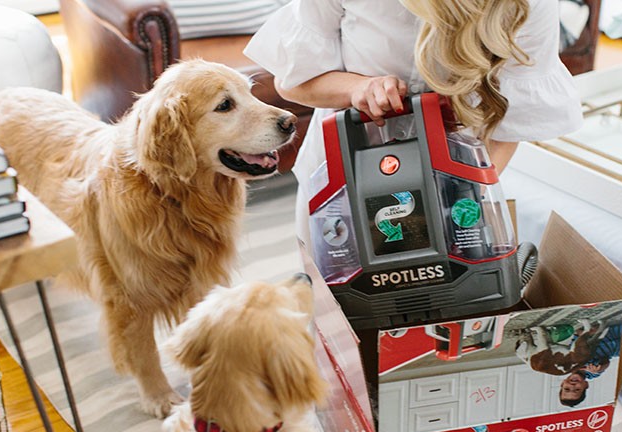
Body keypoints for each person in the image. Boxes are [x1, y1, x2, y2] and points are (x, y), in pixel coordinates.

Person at [243, 0, 584, 249]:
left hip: (455, 187)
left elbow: (512, 118)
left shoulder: (530, 4)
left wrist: (463, 200)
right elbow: (292, 81)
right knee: (336, 321)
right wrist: (357, 88)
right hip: (342, 181)